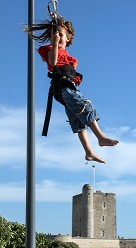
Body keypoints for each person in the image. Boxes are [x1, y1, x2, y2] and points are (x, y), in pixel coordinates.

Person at [25, 16, 119, 164]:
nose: (56, 37)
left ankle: (88, 152)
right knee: (85, 107)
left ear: (68, 38)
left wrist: (56, 18)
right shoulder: (50, 49)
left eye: (61, 35)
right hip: (62, 87)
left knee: (78, 121)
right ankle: (100, 137)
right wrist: (55, 43)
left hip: (67, 87)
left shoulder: (70, 57)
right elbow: (53, 62)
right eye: (53, 35)